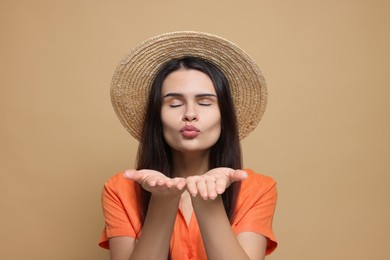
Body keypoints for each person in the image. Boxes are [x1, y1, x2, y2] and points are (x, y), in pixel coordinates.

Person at [99, 31, 277, 260]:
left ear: (224, 116)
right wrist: (162, 202)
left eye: (204, 103)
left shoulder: (258, 189)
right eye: (174, 104)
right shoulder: (119, 190)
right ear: (157, 117)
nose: (190, 114)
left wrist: (208, 200)